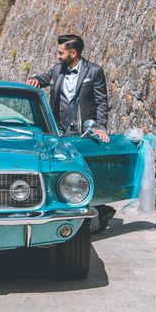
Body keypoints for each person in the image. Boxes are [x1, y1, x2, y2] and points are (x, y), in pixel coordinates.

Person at [26, 34, 115, 233]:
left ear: (73, 53)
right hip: (59, 132)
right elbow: (44, 78)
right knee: (64, 173)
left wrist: (101, 127)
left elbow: (101, 102)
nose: (58, 56)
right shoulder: (57, 70)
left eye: (61, 52)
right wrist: (34, 81)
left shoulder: (94, 71)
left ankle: (101, 210)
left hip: (84, 132)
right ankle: (66, 216)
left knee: (86, 173)